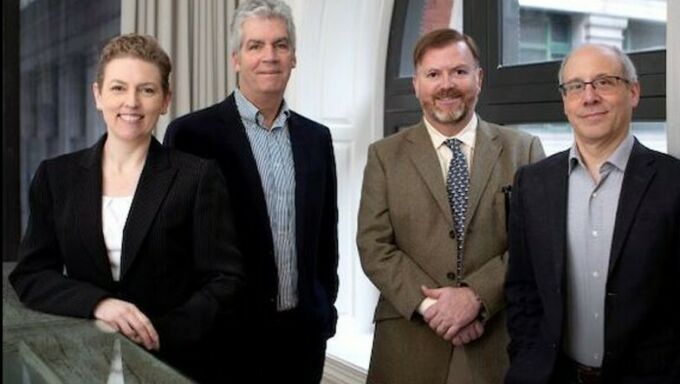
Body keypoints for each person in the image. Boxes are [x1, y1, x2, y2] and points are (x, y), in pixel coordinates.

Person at [9, 34, 244, 383]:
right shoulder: (55, 176)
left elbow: (225, 279)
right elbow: (31, 275)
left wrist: (157, 333)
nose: (131, 102)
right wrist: (99, 303)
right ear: (97, 95)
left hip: (172, 361)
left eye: (147, 90)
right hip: (82, 360)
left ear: (165, 100)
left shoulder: (196, 177)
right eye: (118, 88)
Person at [163, 0, 338, 382]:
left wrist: (325, 308)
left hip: (302, 338)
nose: (269, 56)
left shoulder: (316, 139)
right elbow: (174, 246)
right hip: (222, 341)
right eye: (255, 46)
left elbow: (326, 237)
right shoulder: (191, 135)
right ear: (236, 59)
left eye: (280, 45)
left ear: (294, 57)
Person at [357, 28, 545, 384]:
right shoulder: (384, 155)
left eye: (459, 71)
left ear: (479, 78)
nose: (447, 84)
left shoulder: (525, 149)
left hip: (496, 343)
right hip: (407, 344)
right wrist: (435, 309)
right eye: (433, 74)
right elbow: (374, 246)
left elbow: (534, 244)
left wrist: (476, 297)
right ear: (416, 84)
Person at [505, 43, 680, 384]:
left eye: (604, 82)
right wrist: (527, 362)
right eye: (576, 86)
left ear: (633, 92)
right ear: (565, 102)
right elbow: (522, 289)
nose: (589, 97)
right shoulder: (532, 184)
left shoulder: (673, 183)